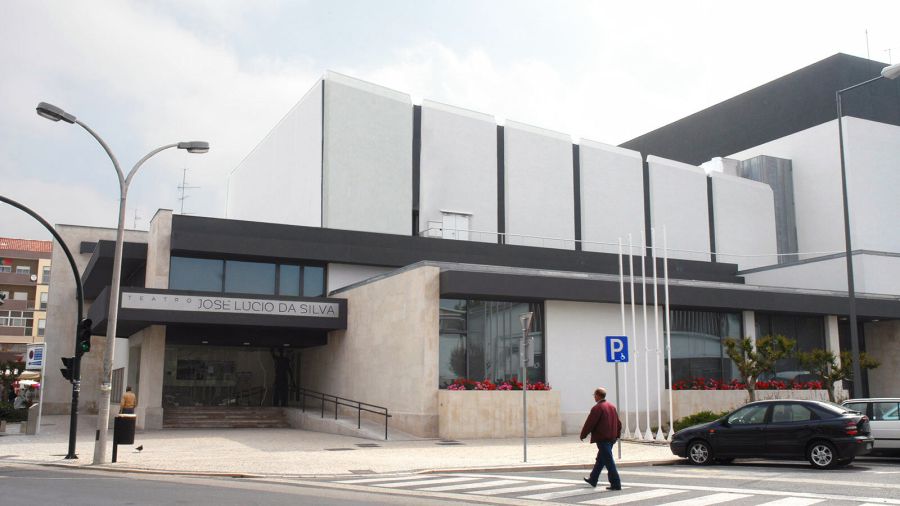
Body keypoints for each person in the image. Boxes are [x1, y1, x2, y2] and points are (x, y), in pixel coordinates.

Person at [580, 386, 622, 490]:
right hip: (611, 438)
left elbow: (590, 423)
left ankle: (616, 483)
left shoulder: (597, 408)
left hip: (603, 438)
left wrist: (583, 434)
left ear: (598, 396)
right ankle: (593, 479)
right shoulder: (612, 406)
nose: (594, 397)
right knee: (601, 459)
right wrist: (617, 435)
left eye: (594, 395)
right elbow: (618, 423)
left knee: (609, 461)